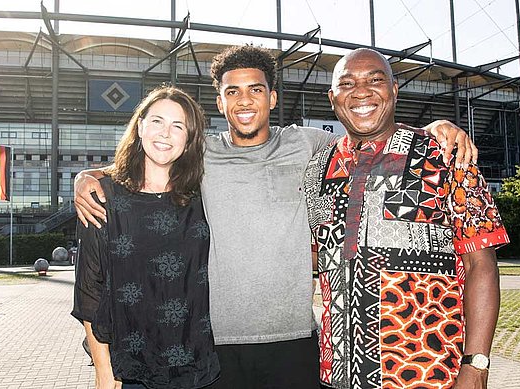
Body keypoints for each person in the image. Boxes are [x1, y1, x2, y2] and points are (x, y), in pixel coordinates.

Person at [74, 46, 478, 389]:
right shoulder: (201, 154)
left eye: (255, 90)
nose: (244, 101)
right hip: (215, 344)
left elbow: (369, 131)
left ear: (272, 98)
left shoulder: (311, 145)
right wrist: (87, 176)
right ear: (220, 102)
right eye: (233, 92)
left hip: (296, 341)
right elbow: (152, 161)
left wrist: (434, 128)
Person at [304, 48, 508, 389]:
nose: (361, 91)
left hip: (429, 373)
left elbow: (481, 265)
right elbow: (318, 258)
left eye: (375, 80)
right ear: (333, 97)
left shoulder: (446, 156)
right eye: (347, 83)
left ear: (394, 90)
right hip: (337, 376)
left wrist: (476, 365)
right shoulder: (317, 170)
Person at [71, 86, 220, 389]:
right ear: (139, 126)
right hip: (131, 369)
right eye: (157, 122)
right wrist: (103, 370)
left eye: (178, 126)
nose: (166, 133)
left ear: (189, 139)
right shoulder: (102, 197)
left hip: (199, 368)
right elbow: (90, 290)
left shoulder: (203, 194)